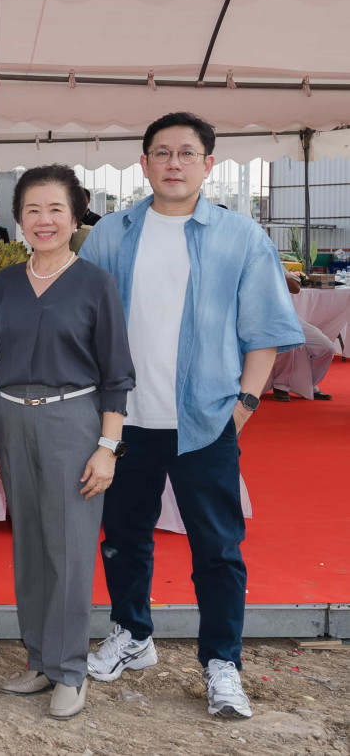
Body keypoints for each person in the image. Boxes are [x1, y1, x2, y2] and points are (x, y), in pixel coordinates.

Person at [80, 112, 303, 720]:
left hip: (205, 421)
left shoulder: (241, 237)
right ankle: (133, 634)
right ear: (144, 162)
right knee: (124, 537)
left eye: (185, 153)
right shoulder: (110, 235)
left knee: (218, 547)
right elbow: (87, 324)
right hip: (127, 421)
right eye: (160, 152)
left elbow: (265, 331)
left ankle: (222, 661)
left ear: (208, 163)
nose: (172, 163)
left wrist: (246, 404)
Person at [0, 165, 135, 720]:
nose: (43, 221)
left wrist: (107, 447)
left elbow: (117, 373)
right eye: (32, 211)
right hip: (11, 420)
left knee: (68, 549)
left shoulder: (96, 283)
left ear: (75, 215)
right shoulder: (2, 284)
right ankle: (41, 659)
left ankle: (71, 668)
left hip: (74, 423)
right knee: (30, 548)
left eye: (55, 210)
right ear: (18, 219)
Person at [269, 272, 335, 402]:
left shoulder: (274, 264)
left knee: (327, 347)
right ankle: (281, 386)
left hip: (287, 316)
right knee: (288, 341)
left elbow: (296, 288)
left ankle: (308, 384)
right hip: (258, 319)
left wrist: (272, 269)